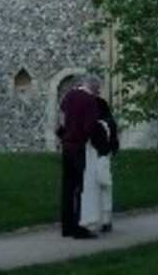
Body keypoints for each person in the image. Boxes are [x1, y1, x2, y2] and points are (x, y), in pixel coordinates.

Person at [57, 73, 100, 239]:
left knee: (67, 188)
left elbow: (60, 120)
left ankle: (66, 227)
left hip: (67, 146)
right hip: (80, 147)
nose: (98, 93)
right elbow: (90, 127)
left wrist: (64, 136)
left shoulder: (69, 96)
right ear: (93, 87)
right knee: (82, 189)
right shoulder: (90, 101)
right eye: (98, 90)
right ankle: (79, 228)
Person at [80, 90, 119, 234]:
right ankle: (106, 220)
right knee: (106, 188)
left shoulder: (98, 124)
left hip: (95, 158)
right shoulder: (110, 123)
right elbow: (113, 144)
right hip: (104, 158)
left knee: (94, 189)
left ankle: (93, 221)